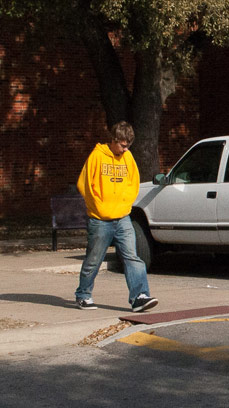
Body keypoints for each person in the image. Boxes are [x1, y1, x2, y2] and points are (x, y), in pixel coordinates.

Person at [75, 121, 158, 312]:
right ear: (113, 140)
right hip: (100, 219)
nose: (125, 148)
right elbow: (84, 185)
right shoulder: (97, 156)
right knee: (94, 260)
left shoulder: (128, 158)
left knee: (132, 257)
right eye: (122, 144)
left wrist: (124, 204)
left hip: (122, 217)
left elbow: (133, 183)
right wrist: (98, 207)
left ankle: (139, 297)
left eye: (128, 145)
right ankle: (83, 294)